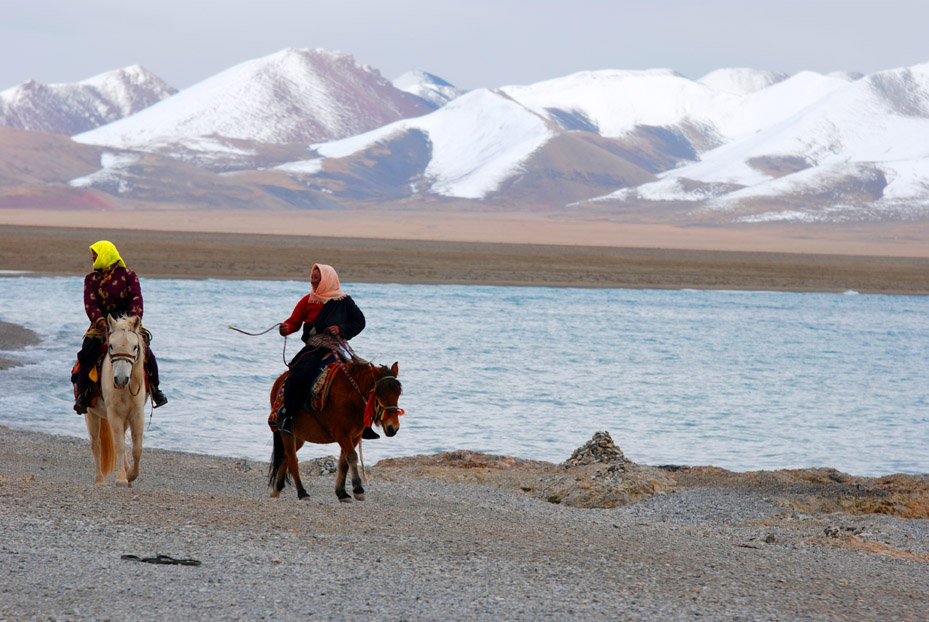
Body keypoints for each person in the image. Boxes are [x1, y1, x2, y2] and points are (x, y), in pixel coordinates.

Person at [277, 263, 376, 438]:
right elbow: (294, 322)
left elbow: (360, 322)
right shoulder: (307, 300)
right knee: (299, 374)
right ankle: (288, 417)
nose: (314, 283)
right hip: (315, 347)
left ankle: (366, 423)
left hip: (338, 345)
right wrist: (286, 328)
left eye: (317, 279)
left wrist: (340, 329)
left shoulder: (344, 301)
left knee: (365, 374)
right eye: (312, 279)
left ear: (328, 280)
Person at [73, 241, 168, 414]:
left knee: (147, 353)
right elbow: (90, 305)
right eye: (93, 254)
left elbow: (136, 300)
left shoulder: (129, 276)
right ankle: (83, 395)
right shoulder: (91, 279)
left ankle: (155, 390)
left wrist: (131, 323)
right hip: (102, 325)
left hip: (128, 325)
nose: (93, 257)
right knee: (86, 354)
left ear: (105, 254)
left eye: (95, 254)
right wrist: (102, 323)